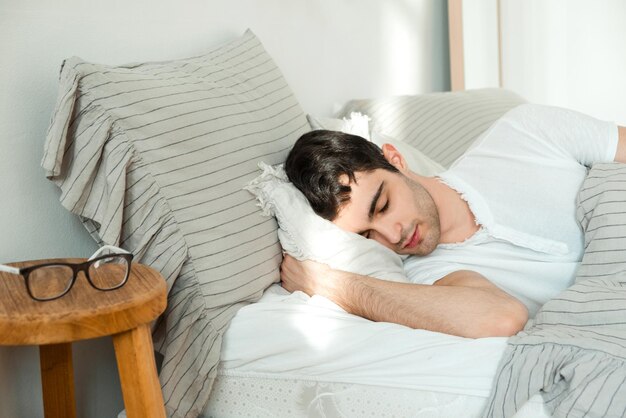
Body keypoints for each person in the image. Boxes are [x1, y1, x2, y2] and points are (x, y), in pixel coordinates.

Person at [280, 104, 626, 338]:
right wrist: (332, 286)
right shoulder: (426, 278)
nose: (393, 236)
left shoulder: (523, 133)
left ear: (396, 160)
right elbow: (501, 317)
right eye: (367, 235)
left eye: (384, 205)